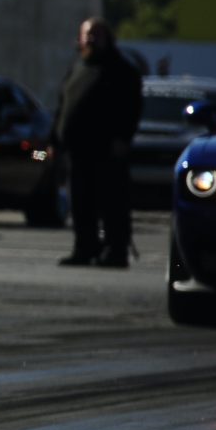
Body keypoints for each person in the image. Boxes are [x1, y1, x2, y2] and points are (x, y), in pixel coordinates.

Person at [54, 17, 143, 267]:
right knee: (81, 203)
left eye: (97, 34)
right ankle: (85, 248)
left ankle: (116, 251)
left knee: (112, 204)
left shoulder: (121, 70)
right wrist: (56, 138)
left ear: (109, 39)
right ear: (79, 40)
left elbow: (131, 108)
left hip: (107, 151)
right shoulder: (78, 68)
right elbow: (64, 105)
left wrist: (123, 138)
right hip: (78, 151)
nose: (91, 39)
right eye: (87, 35)